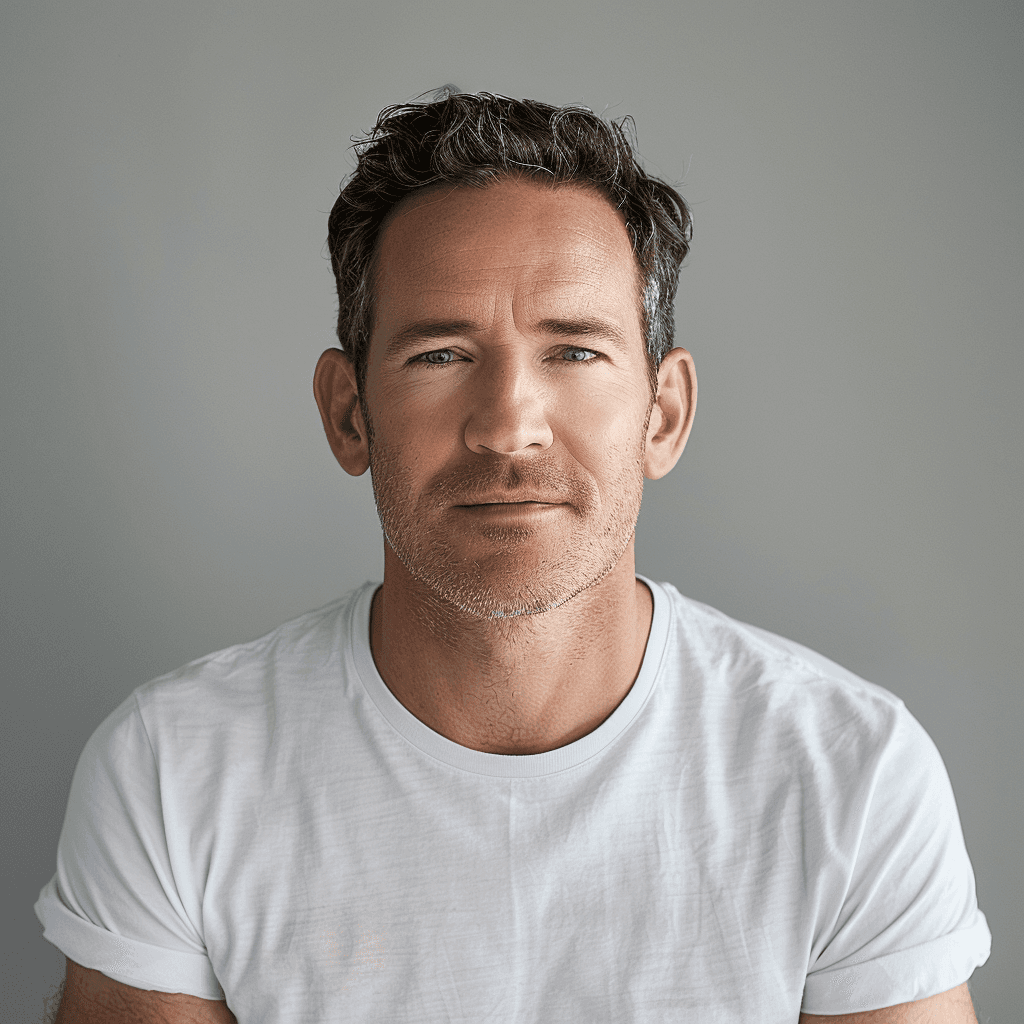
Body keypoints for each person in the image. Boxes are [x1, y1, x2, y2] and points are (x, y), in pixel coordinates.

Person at [36, 89, 989, 1023]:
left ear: (663, 415)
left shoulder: (851, 775)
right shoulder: (173, 772)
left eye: (573, 352)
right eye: (439, 354)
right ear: (349, 414)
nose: (507, 426)